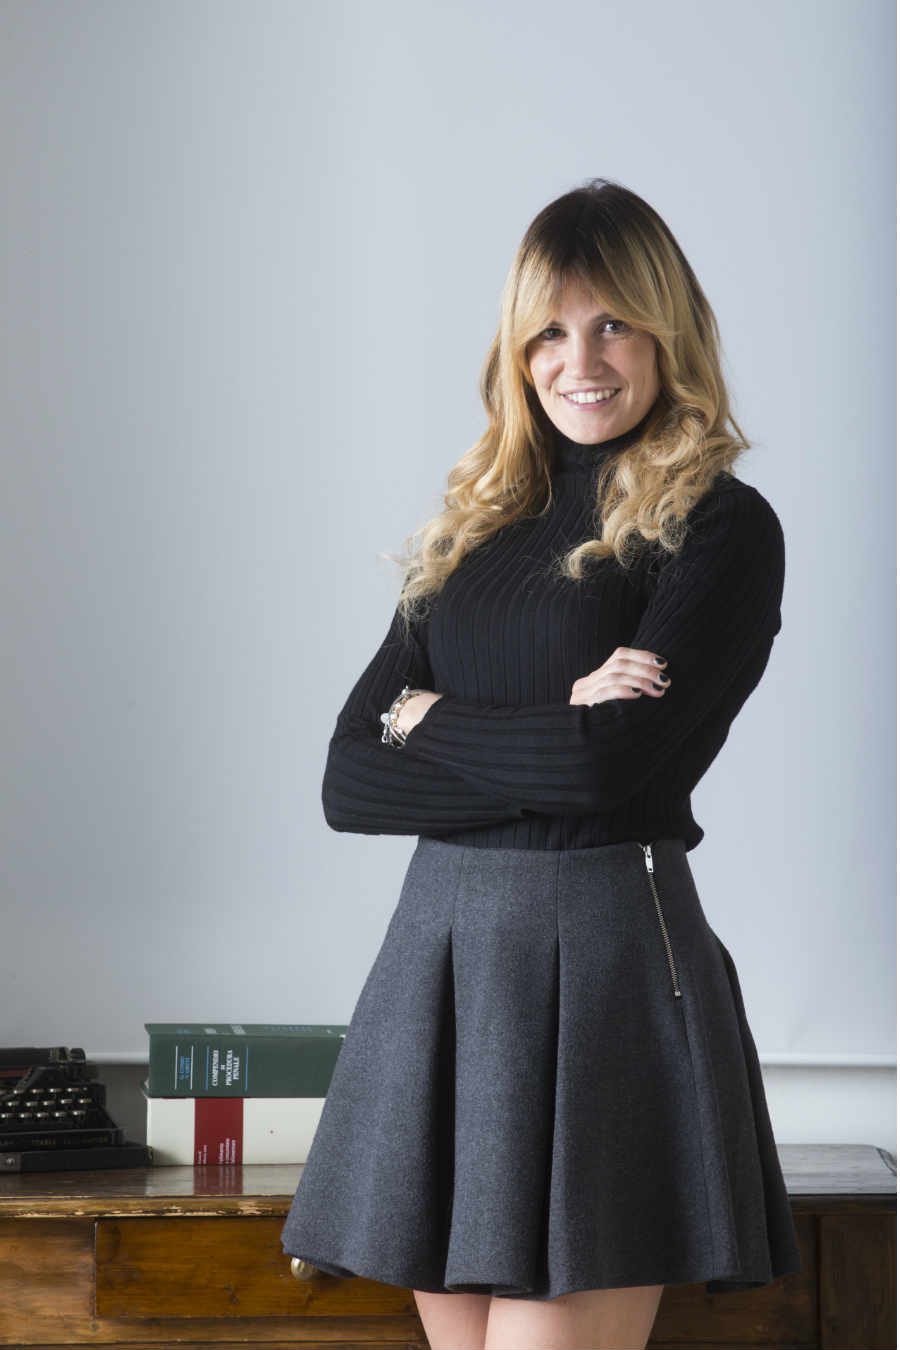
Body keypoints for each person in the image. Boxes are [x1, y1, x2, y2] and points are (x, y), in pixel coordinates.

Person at [280, 178, 803, 1350]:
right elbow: (348, 781)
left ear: (668, 332)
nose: (582, 361)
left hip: (604, 955)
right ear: (517, 352)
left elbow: (601, 776)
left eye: (614, 323)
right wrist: (556, 712)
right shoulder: (474, 529)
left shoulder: (718, 527)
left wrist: (426, 714)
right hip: (439, 959)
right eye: (550, 332)